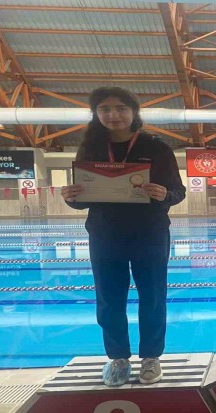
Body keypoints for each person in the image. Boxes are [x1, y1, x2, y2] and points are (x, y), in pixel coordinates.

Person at [61, 86, 186, 386]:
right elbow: (83, 200)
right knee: (108, 299)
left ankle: (151, 357)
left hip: (149, 233)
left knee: (153, 296)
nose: (113, 114)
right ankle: (118, 358)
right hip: (105, 234)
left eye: (120, 108)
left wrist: (164, 194)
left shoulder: (156, 147)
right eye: (105, 109)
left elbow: (178, 191)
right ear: (96, 113)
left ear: (133, 111)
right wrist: (71, 197)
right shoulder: (90, 148)